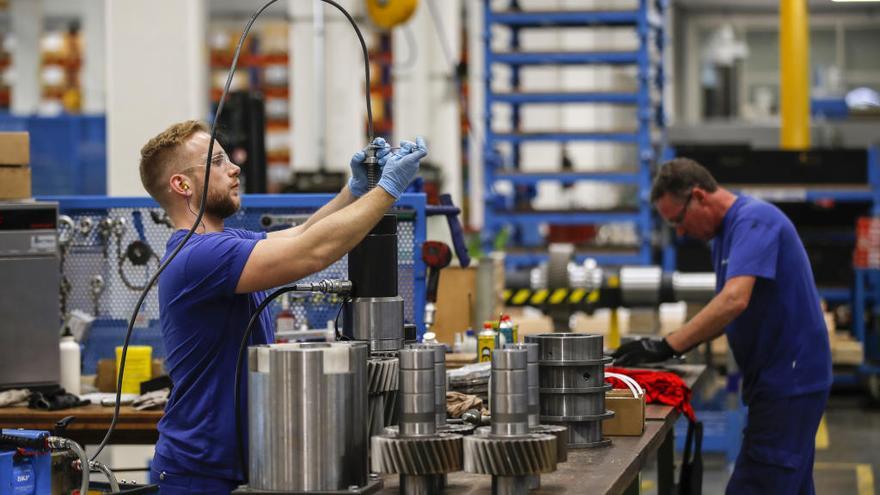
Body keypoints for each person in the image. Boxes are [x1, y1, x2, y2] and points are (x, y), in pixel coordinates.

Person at [137, 120, 427, 494]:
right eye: (218, 161)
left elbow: (301, 234)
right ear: (182, 185)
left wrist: (352, 193)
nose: (235, 167)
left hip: (233, 466)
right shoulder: (198, 257)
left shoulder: (224, 242)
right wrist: (387, 190)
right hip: (199, 474)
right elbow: (312, 253)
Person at [612, 158, 832, 495]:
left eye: (679, 221)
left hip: (789, 381)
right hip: (777, 380)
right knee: (790, 483)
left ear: (699, 196)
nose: (681, 233)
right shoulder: (727, 236)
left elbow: (733, 300)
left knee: (758, 482)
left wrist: (667, 345)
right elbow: (730, 310)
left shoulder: (754, 220)